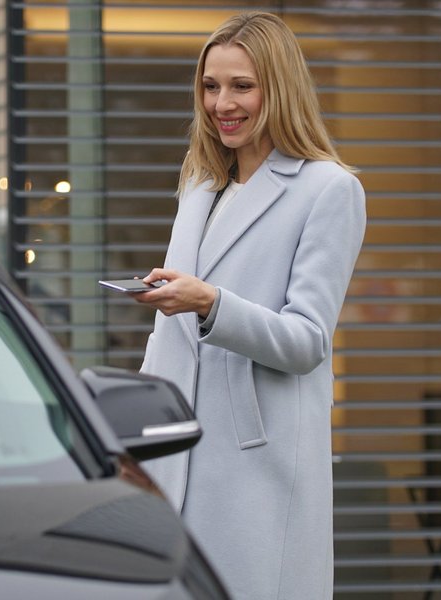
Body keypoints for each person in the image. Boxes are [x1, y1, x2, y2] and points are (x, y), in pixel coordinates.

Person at [131, 11, 366, 600]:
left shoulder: (329, 190)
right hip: (173, 452)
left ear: (279, 88)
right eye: (211, 86)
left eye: (242, 86)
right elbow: (168, 336)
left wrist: (210, 303)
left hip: (255, 467)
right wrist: (134, 433)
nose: (222, 104)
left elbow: (307, 341)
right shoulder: (200, 186)